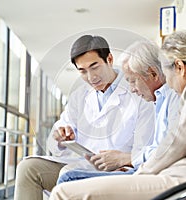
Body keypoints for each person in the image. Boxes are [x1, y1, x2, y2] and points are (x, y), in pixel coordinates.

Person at [49, 30, 186, 200]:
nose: (168, 84)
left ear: (179, 67)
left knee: (64, 192)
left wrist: (140, 174)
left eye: (167, 75)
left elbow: (181, 141)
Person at [14, 35, 155, 200]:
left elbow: (146, 147)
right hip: (83, 164)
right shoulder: (79, 96)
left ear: (109, 59)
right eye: (83, 71)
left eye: (94, 67)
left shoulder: (138, 91)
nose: (91, 77)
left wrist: (122, 160)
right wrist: (60, 137)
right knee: (28, 168)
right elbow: (55, 141)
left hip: (119, 170)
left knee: (69, 175)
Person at [56, 40, 180, 184]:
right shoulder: (159, 99)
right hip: (140, 169)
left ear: (153, 74)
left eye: (133, 81)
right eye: (83, 71)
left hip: (153, 175)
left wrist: (125, 159)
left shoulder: (172, 97)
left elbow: (170, 149)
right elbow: (157, 147)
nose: (132, 88)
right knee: (64, 173)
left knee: (69, 178)